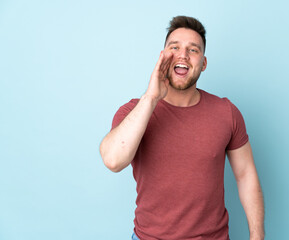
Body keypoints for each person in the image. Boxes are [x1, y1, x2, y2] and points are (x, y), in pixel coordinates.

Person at [99, 16, 264, 240]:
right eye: (174, 47)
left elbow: (246, 176)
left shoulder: (227, 112)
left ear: (203, 63)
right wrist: (151, 98)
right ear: (163, 57)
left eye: (193, 50)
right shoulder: (133, 112)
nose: (183, 55)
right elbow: (113, 160)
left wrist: (257, 237)